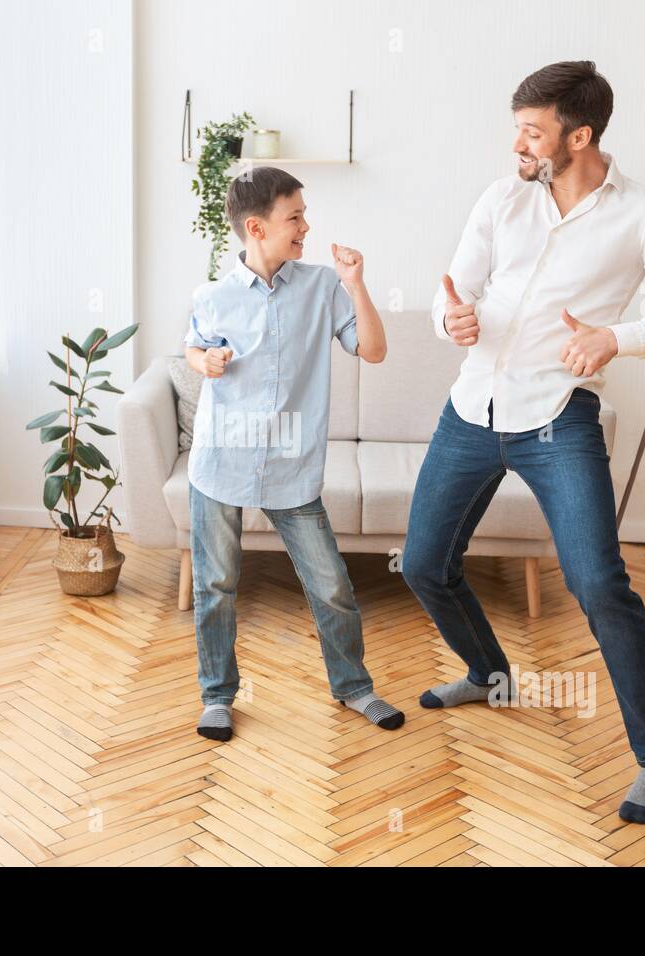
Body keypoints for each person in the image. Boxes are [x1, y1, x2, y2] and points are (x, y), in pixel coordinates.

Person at [402, 61, 645, 823]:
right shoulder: (500, 199)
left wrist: (620, 336)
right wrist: (449, 321)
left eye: (531, 131)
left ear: (578, 137)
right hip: (472, 409)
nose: (516, 142)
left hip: (558, 419)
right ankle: (488, 673)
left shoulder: (643, 213)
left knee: (599, 585)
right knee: (423, 563)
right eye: (517, 126)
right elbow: (452, 294)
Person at [183, 166, 399, 742]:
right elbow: (195, 346)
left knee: (330, 584)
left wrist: (356, 282)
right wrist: (201, 361)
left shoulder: (323, 286)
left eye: (304, 213)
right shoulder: (213, 296)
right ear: (256, 227)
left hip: (291, 465)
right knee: (215, 587)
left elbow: (373, 351)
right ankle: (217, 698)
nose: (306, 225)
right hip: (220, 461)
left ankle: (354, 687)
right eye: (295, 216)